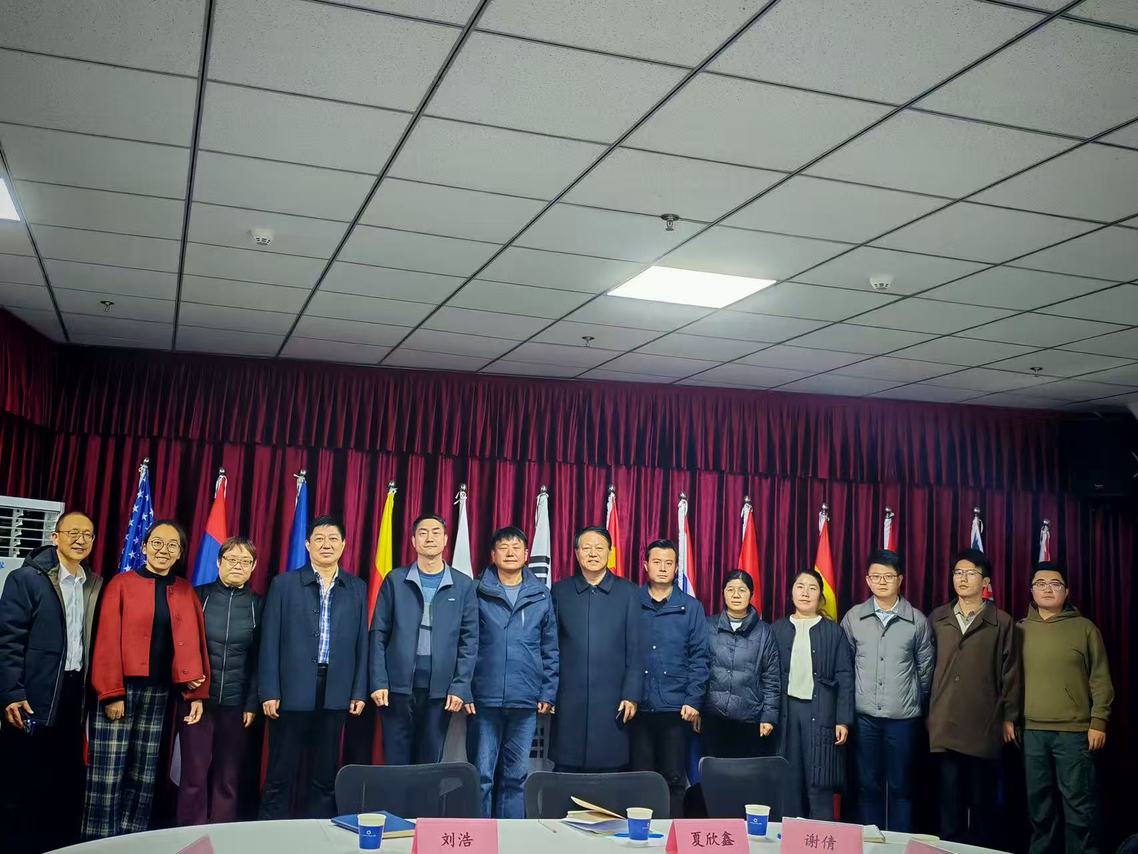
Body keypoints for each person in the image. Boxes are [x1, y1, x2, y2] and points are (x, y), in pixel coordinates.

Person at [83, 520, 210, 840]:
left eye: (172, 545)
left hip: (159, 693)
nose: (163, 550)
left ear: (180, 553)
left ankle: (133, 839)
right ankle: (99, 841)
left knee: (144, 773)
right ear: (143, 547)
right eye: (157, 543)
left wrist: (196, 693)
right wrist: (112, 692)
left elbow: (195, 643)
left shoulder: (185, 590)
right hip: (120, 690)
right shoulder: (121, 584)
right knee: (107, 773)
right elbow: (106, 640)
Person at [0, 511, 104, 853]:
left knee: (62, 780)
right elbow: (7, 640)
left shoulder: (93, 583)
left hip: (74, 693)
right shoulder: (26, 578)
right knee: (22, 780)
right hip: (31, 694)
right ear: (55, 537)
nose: (80, 540)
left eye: (87, 534)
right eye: (73, 532)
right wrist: (11, 692)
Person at [259, 515, 368, 819]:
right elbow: (269, 640)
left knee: (324, 773)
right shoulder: (284, 584)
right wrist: (269, 690)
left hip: (336, 690)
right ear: (307, 544)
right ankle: (269, 831)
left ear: (344, 545)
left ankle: (319, 831)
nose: (326, 544)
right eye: (319, 538)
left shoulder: (356, 587)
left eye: (333, 539)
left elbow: (363, 642)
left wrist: (358, 691)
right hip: (291, 690)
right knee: (280, 771)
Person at [927, 548, 1021, 847]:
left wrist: (1009, 717)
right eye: (958, 572)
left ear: (985, 581)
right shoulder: (938, 617)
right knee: (949, 804)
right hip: (945, 723)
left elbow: (1011, 672)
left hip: (984, 724)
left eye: (970, 573)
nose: (962, 578)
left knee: (983, 806)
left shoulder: (1001, 621)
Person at [369, 513, 478, 766]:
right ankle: (396, 795)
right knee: (396, 761)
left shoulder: (463, 585)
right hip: (396, 688)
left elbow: (469, 641)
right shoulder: (395, 580)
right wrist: (378, 681)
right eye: (423, 533)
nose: (430, 538)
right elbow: (378, 633)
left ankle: (423, 796)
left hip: (440, 691)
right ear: (413, 541)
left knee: (429, 764)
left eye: (436, 532)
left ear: (446, 540)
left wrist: (460, 686)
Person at [1020, 561, 1113, 854]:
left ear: (1067, 591)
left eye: (1055, 584)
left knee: (1079, 808)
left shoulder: (1085, 628)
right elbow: (1008, 682)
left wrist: (1099, 721)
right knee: (1039, 809)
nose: (1047, 589)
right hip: (1032, 732)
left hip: (1074, 733)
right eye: (1040, 583)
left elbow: (1100, 678)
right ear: (1031, 590)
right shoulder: (1019, 629)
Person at [467, 526, 558, 818]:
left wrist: (548, 692)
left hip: (525, 698)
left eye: (516, 547)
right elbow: (466, 643)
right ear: (493, 555)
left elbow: (550, 648)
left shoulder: (541, 594)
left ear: (526, 554)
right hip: (484, 698)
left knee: (516, 777)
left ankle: (510, 837)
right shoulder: (476, 591)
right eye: (503, 547)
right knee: (481, 776)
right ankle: (479, 837)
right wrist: (465, 689)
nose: (510, 552)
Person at [840, 549, 933, 832]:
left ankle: (899, 843)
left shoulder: (917, 620)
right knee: (868, 785)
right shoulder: (854, 618)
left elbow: (925, 671)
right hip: (864, 718)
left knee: (902, 787)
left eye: (888, 576)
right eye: (876, 576)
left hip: (903, 720)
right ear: (867, 580)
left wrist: (911, 701)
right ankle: (872, 842)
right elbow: (845, 667)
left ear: (900, 579)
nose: (882, 581)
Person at [176, 536, 264, 826]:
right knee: (194, 775)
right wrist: (192, 692)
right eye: (231, 559)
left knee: (228, 776)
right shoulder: (197, 596)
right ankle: (190, 832)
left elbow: (259, 660)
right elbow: (182, 648)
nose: (238, 566)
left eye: (245, 561)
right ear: (218, 562)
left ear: (253, 567)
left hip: (237, 705)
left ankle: (222, 831)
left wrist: (251, 704)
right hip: (197, 703)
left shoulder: (258, 605)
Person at [550, 526, 642, 773]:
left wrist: (632, 694)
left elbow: (636, 648)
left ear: (610, 553)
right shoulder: (560, 591)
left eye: (599, 548)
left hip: (614, 698)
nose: (593, 553)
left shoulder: (629, 592)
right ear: (576, 553)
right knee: (567, 770)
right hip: (569, 697)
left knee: (611, 769)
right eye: (587, 548)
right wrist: (549, 693)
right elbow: (550, 647)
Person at [631, 539, 710, 818]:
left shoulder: (691, 607)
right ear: (645, 565)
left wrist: (693, 700)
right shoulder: (631, 603)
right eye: (657, 562)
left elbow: (700, 657)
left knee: (674, 778)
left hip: (676, 708)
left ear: (676, 568)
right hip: (637, 707)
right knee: (640, 777)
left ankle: (670, 835)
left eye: (668, 563)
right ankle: (640, 836)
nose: (662, 568)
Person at [772, 569, 853, 821]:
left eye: (812, 588)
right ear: (791, 593)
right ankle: (788, 836)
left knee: (820, 779)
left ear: (820, 596)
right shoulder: (777, 629)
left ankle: (822, 836)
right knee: (788, 779)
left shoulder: (834, 632)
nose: (805, 593)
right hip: (786, 713)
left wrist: (843, 720)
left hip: (821, 713)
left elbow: (845, 677)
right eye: (800, 586)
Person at [700, 570, 780, 759]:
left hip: (750, 719)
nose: (736, 595)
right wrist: (696, 707)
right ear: (723, 593)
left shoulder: (764, 632)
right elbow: (698, 669)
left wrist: (769, 716)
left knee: (744, 773)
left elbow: (772, 678)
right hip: (712, 717)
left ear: (751, 594)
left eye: (742, 590)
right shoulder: (707, 626)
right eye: (730, 589)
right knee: (714, 772)